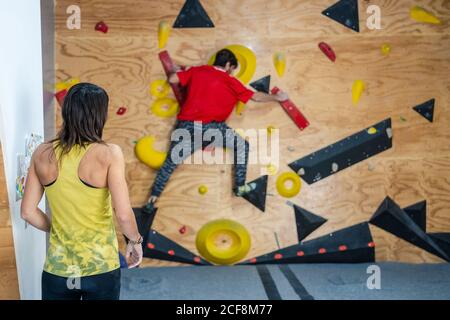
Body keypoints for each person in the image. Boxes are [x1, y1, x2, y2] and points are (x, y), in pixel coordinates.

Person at [21, 83, 143, 300]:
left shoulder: (41, 153)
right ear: (99, 115)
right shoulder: (109, 153)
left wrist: (57, 228)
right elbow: (123, 214)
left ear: (67, 111)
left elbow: (28, 212)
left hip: (57, 271)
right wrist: (135, 242)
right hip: (101, 268)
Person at [143, 49, 288, 214]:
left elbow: (173, 78)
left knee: (170, 163)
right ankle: (239, 186)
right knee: (242, 146)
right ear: (228, 65)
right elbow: (256, 97)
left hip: (186, 127)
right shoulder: (230, 81)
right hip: (212, 129)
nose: (231, 72)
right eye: (232, 68)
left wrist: (186, 70)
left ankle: (152, 199)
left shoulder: (197, 71)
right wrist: (278, 98)